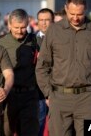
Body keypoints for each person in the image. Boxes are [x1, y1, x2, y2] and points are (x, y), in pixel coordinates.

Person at [35, 0, 91, 136]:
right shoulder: (53, 31)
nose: (76, 17)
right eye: (72, 14)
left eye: (80, 14)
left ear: (86, 10)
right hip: (59, 99)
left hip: (88, 101)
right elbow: (42, 67)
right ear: (66, 9)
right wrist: (49, 93)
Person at [0, 8, 40, 136]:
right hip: (9, 96)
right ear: (9, 25)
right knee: (6, 132)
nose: (20, 31)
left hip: (30, 96)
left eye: (23, 27)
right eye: (16, 27)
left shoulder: (36, 41)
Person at [36, 8, 54, 136]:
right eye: (41, 20)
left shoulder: (61, 40)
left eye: (47, 20)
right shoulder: (31, 41)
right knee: (39, 125)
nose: (44, 23)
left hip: (58, 91)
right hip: (38, 93)